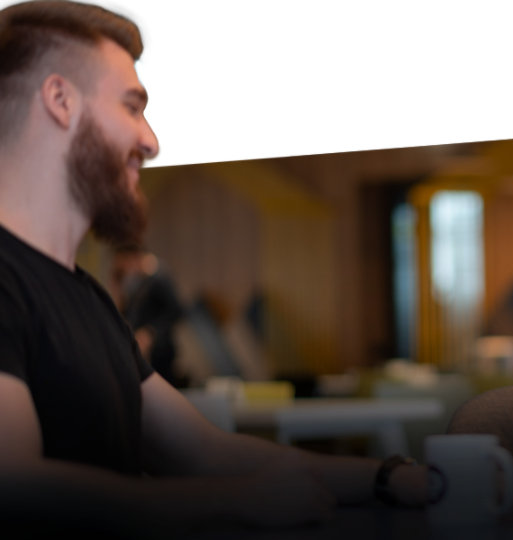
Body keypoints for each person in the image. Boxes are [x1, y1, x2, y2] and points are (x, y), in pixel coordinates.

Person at [0, 1, 425, 535]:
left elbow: (208, 454)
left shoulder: (90, 301)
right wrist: (230, 503)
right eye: (133, 106)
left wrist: (391, 478)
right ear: (60, 100)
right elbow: (12, 486)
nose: (151, 141)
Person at [111, 244, 186, 387]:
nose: (125, 270)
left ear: (133, 257)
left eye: (124, 265)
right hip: (144, 350)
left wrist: (151, 332)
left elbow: (176, 311)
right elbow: (129, 313)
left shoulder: (159, 277)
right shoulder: (138, 281)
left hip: (160, 351)